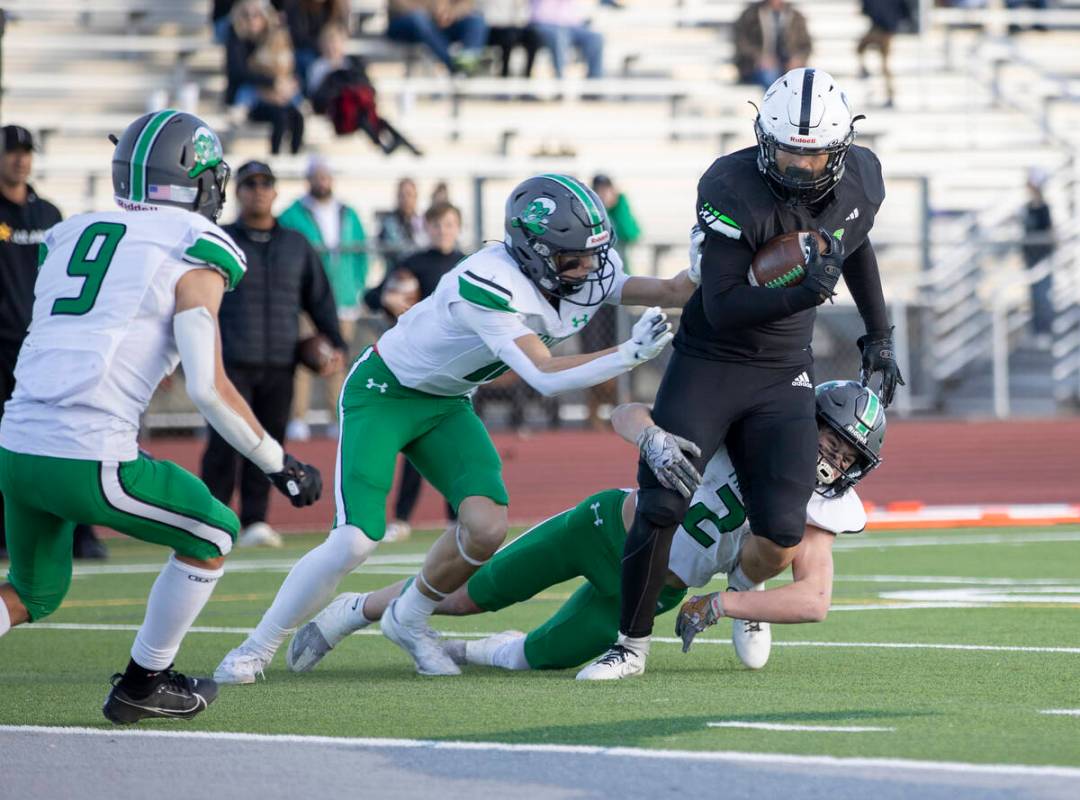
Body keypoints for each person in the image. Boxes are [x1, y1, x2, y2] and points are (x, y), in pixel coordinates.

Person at [213, 173, 697, 682]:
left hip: (446, 402)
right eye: (572, 257)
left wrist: (709, 259)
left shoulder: (581, 266)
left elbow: (670, 289)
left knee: (487, 528)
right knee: (355, 539)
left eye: (593, 254)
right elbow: (542, 376)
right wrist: (628, 355)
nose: (589, 268)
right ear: (533, 252)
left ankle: (409, 618)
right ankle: (255, 647)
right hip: (386, 393)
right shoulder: (489, 282)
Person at [579, 68, 904, 681]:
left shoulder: (860, 175)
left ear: (839, 150)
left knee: (782, 526)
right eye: (787, 154)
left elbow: (851, 241)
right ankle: (630, 645)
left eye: (814, 158)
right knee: (661, 498)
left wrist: (879, 335)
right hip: (714, 359)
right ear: (762, 137)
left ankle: (745, 592)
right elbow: (724, 303)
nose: (800, 170)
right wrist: (804, 290)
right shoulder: (732, 186)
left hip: (784, 370)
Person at [0, 111, 322, 723]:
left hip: (16, 444)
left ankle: (144, 683)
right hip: (88, 451)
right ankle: (145, 682)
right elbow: (208, 386)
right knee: (213, 531)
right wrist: (279, 465)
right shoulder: (193, 244)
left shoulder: (73, 229)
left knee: (35, 592)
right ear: (196, 179)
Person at [285, 381, 885, 676]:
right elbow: (629, 413)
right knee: (466, 595)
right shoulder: (746, 427)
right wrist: (650, 436)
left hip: (659, 587)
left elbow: (816, 598)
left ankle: (447, 651)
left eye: (845, 453)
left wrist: (725, 603)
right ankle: (352, 610)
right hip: (604, 529)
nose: (830, 460)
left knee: (535, 658)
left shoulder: (817, 510)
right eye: (828, 438)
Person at [200, 161, 346, 549]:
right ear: (239, 192)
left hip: (282, 362)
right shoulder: (220, 239)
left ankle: (255, 521)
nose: (258, 190)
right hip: (227, 362)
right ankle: (209, 519)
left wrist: (335, 342)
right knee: (223, 446)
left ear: (276, 192)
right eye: (250, 184)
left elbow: (319, 298)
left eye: (265, 183)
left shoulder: (295, 244)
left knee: (268, 444)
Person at [0, 126, 113, 561]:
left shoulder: (48, 212)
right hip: (3, 347)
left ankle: (81, 534)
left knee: (68, 435)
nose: (20, 160)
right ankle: (12, 536)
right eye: (12, 152)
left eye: (26, 152)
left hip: (45, 346)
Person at [364, 201, 467, 542]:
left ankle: (456, 517)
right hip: (421, 364)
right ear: (428, 228)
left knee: (457, 443)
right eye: (437, 225)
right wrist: (390, 301)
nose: (443, 231)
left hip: (460, 367)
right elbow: (374, 296)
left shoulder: (468, 264)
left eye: (449, 224)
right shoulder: (413, 263)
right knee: (415, 442)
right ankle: (403, 517)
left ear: (458, 227)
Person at [279, 156, 368, 442]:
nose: (322, 180)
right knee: (303, 358)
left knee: (338, 360)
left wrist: (356, 287)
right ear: (308, 179)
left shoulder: (348, 213)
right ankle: (297, 417)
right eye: (317, 175)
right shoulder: (292, 214)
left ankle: (336, 416)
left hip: (342, 299)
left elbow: (362, 254)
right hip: (305, 300)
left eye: (326, 175)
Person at [582, 173, 641, 429]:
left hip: (617, 297)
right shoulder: (585, 216)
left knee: (624, 350)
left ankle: (622, 406)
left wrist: (620, 204)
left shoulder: (618, 210)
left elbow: (631, 232)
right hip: (591, 297)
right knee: (592, 352)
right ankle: (593, 411)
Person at [225, 0, 305, 155]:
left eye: (256, 15)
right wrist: (271, 84)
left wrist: (283, 86)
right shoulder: (236, 39)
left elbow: (287, 66)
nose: (251, 20)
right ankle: (275, 157)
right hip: (255, 96)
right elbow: (239, 73)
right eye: (246, 15)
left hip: (278, 94)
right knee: (280, 117)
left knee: (297, 117)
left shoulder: (274, 37)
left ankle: (295, 157)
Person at [386, 0, 489, 76]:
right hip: (403, 23)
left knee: (476, 20)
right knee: (419, 19)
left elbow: (467, 3)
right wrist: (432, 12)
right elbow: (398, 4)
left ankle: (467, 61)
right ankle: (454, 65)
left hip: (437, 24)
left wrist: (451, 14)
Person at [733, 0, 812, 89]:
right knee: (771, 78)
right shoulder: (750, 15)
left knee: (798, 80)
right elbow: (742, 43)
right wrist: (759, 57)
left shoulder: (796, 16)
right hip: (756, 67)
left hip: (788, 65)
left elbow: (806, 45)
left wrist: (797, 59)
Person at [282, 0, 350, 93]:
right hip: (308, 50)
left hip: (330, 50)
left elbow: (340, 32)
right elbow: (298, 37)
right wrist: (324, 45)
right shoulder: (296, 6)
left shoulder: (337, 7)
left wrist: (333, 45)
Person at [856, 0, 913, 108]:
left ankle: (890, 94)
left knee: (884, 65)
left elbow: (905, 11)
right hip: (880, 28)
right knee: (861, 49)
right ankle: (865, 71)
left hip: (886, 30)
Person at [528, 0, 604, 79]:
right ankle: (560, 81)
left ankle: (594, 83)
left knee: (596, 38)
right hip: (544, 23)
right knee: (559, 36)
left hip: (571, 25)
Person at [1021, 167, 1054, 346]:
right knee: (1033, 298)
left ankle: (1044, 331)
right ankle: (1035, 331)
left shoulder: (1044, 209)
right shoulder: (1026, 208)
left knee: (1043, 297)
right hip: (1031, 260)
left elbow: (1049, 233)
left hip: (1042, 260)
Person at [377, 178, 428, 272]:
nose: (406, 199)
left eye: (409, 195)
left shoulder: (424, 222)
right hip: (396, 273)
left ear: (416, 197)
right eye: (402, 195)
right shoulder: (388, 222)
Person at [481, 0, 541, 77]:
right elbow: (490, 18)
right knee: (509, 35)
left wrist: (518, 7)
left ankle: (527, 72)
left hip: (515, 28)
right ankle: (504, 71)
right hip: (496, 29)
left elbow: (524, 19)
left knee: (533, 35)